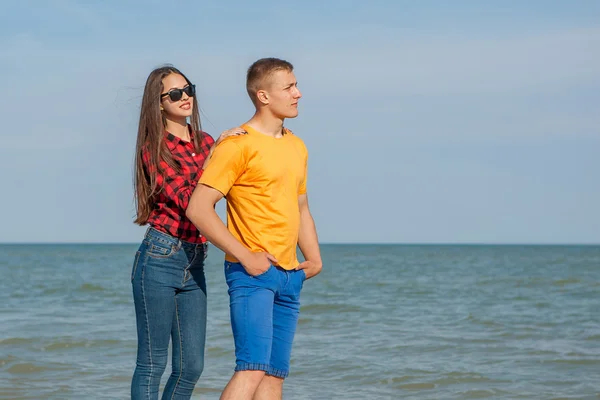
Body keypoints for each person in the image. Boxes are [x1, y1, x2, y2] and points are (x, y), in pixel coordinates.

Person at [186, 57, 323, 400]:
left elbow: (301, 207)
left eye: (296, 85)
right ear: (264, 96)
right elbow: (198, 208)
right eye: (289, 87)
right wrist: (245, 256)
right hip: (252, 274)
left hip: (290, 276)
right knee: (251, 368)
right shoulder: (238, 144)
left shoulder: (296, 145)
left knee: (274, 377)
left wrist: (314, 258)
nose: (298, 93)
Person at [130, 65, 245, 400]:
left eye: (188, 89)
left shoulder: (205, 141)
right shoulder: (155, 147)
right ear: (159, 102)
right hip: (160, 257)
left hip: (195, 260)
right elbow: (189, 201)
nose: (185, 98)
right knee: (152, 363)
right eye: (175, 94)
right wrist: (215, 157)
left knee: (192, 366)